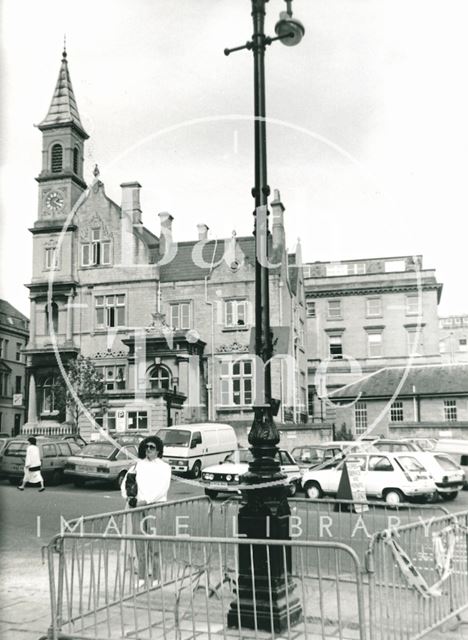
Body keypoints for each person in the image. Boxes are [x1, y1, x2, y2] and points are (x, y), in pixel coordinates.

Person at [121, 435, 171, 587]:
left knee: (154, 544)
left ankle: (156, 576)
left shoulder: (164, 467)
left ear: (158, 450)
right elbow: (125, 484)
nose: (148, 450)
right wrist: (129, 499)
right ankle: (142, 576)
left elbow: (162, 488)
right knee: (139, 544)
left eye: (152, 447)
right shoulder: (137, 466)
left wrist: (146, 501)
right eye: (146, 447)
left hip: (154, 507)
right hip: (138, 508)